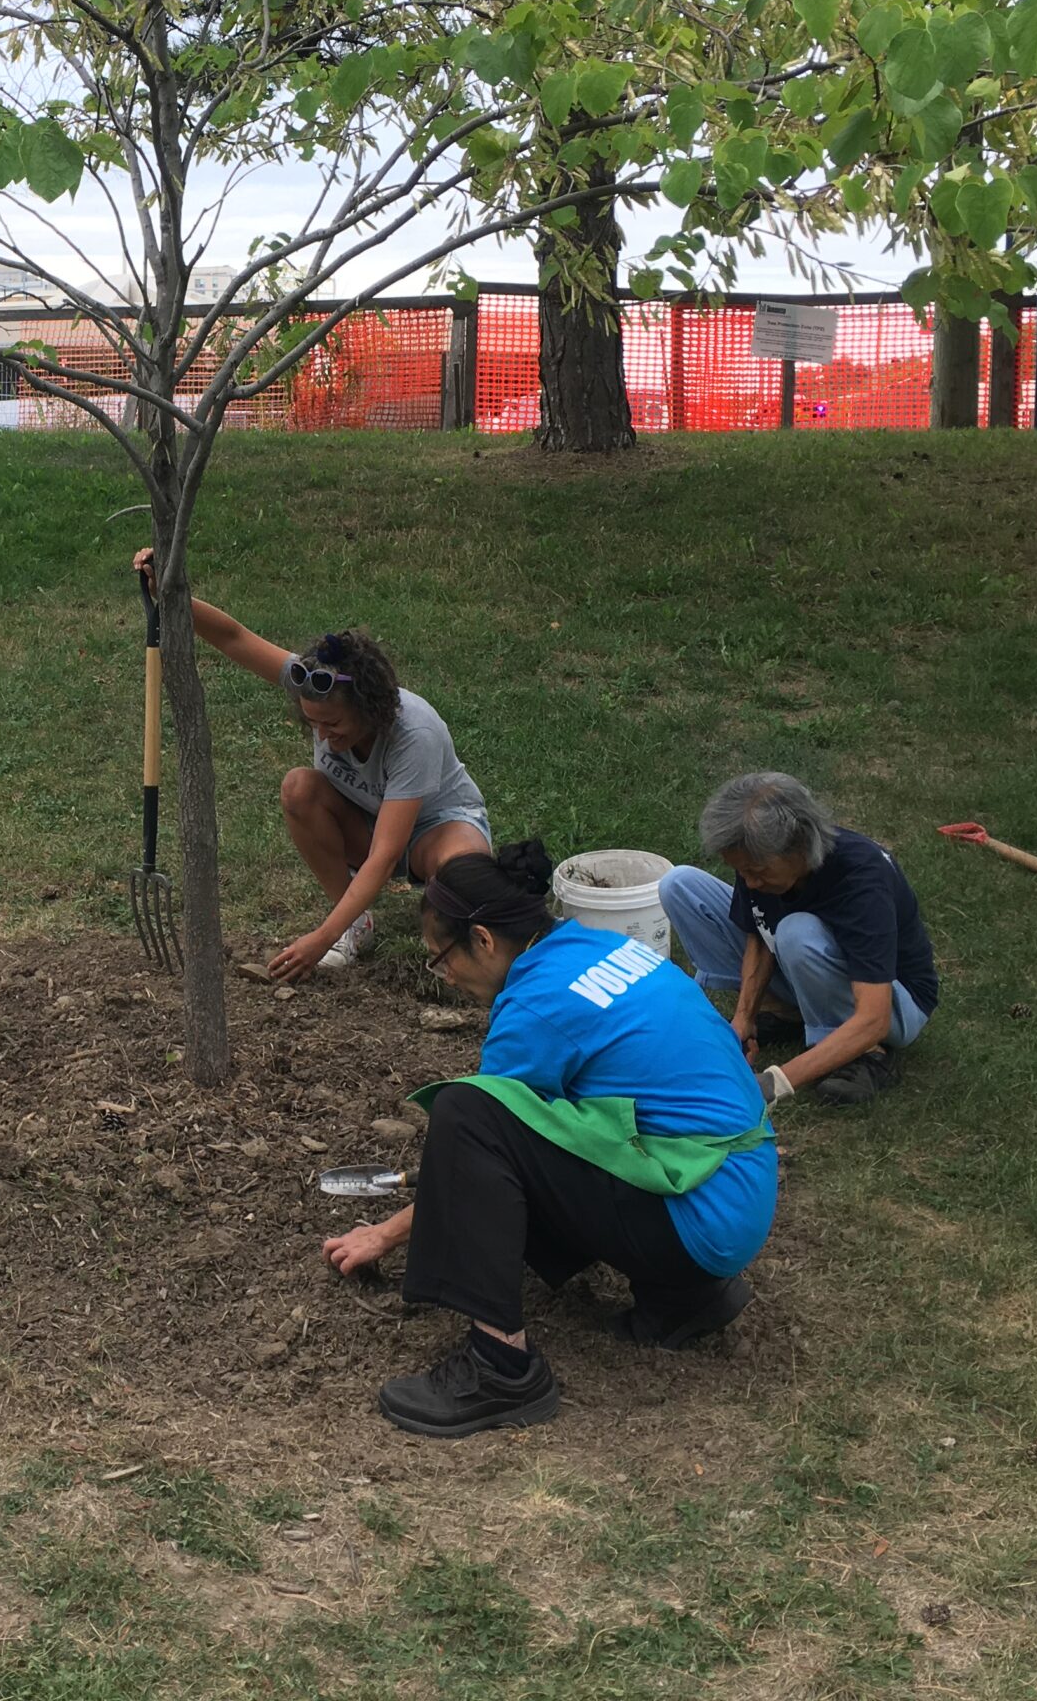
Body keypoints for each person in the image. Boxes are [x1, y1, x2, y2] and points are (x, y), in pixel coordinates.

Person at [321, 842, 777, 1438]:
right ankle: (683, 1298)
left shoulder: (534, 1009)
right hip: (741, 1186)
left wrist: (384, 1233)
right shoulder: (597, 946)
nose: (446, 977)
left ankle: (500, 1366)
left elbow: (486, 1146)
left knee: (466, 1110)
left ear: (483, 939)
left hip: (699, 1212)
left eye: (441, 959)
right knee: (519, 1118)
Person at [132, 548, 490, 981]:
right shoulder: (314, 684)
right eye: (312, 723)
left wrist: (319, 937)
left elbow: (385, 855)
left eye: (334, 724)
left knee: (460, 870)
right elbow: (234, 638)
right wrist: (169, 594)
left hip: (438, 829)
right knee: (299, 788)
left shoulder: (414, 733)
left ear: (369, 708)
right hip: (373, 824)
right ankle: (355, 924)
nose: (322, 736)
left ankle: (453, 939)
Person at [658, 772, 940, 1108]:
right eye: (741, 871)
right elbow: (760, 932)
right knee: (679, 885)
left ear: (800, 847)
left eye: (758, 872)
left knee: (797, 932)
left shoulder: (862, 880)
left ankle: (866, 1056)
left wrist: (774, 1082)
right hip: (809, 964)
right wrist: (743, 1019)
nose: (748, 882)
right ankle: (789, 1014)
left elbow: (874, 1018)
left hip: (893, 1002)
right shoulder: (756, 853)